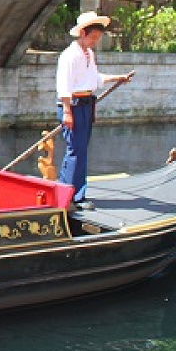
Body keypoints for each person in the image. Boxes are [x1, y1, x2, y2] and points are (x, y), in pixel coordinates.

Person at [56, 11, 135, 211]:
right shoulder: (69, 55)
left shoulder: (89, 54)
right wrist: (67, 111)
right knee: (75, 150)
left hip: (85, 104)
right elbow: (63, 85)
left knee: (81, 151)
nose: (95, 42)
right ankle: (70, 196)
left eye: (97, 38)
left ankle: (74, 193)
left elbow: (94, 79)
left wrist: (117, 78)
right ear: (83, 33)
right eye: (93, 37)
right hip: (73, 105)